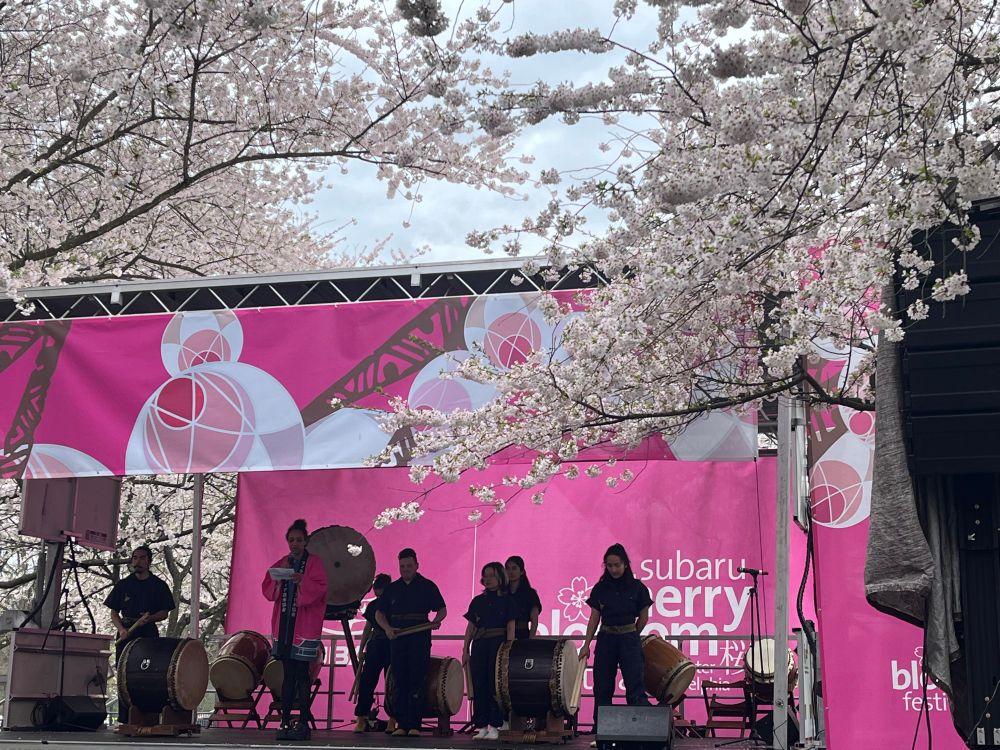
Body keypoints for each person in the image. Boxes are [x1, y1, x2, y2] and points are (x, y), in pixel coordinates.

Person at [261, 519, 328, 742]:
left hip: (304, 627)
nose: (295, 544)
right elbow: (269, 589)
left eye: (299, 540)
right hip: (284, 626)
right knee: (288, 675)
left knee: (303, 675)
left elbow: (320, 589)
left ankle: (303, 722)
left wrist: (302, 580)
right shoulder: (283, 562)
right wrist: (279, 581)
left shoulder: (315, 563)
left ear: (306, 541)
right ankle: (285, 720)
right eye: (291, 540)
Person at [579, 543, 652, 738]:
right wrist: (586, 645)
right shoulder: (601, 588)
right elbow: (594, 617)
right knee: (602, 685)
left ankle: (639, 730)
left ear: (626, 564)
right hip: (606, 639)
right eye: (609, 566)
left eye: (617, 565)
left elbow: (644, 618)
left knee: (634, 684)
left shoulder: (638, 588)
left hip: (629, 639)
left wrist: (632, 634)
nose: (613, 569)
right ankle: (601, 729)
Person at [375, 548, 447, 737]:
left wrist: (435, 622)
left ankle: (415, 724)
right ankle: (401, 724)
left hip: (419, 637)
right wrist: (387, 629)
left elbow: (442, 609)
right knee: (399, 679)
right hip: (398, 637)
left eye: (409, 566)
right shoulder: (392, 588)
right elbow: (379, 613)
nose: (405, 569)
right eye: (402, 566)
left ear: (417, 565)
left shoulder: (427, 586)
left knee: (417, 679)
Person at [104, 544, 176, 721]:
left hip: (148, 634)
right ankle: (125, 717)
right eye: (135, 558)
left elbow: (164, 613)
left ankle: (149, 715)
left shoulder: (158, 585)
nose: (138, 562)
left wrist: (149, 619)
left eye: (142, 558)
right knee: (124, 675)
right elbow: (113, 612)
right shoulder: (123, 585)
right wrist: (121, 629)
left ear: (149, 562)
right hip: (127, 632)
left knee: (148, 672)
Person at [463, 562, 516, 740]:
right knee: (479, 683)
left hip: (498, 644)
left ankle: (496, 724)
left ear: (500, 577)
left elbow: (510, 626)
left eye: (492, 575)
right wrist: (465, 649)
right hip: (480, 644)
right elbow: (471, 626)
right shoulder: (478, 601)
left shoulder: (508, 600)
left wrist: (508, 649)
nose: (488, 579)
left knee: (495, 685)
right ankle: (482, 725)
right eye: (485, 576)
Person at [353, 573, 393, 734]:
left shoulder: (395, 603)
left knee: (392, 684)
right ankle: (361, 718)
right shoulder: (373, 605)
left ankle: (393, 719)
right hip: (375, 645)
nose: (378, 592)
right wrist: (362, 648)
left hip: (392, 645)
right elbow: (368, 628)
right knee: (367, 681)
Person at [505, 555, 541, 639]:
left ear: (522, 571)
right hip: (503, 635)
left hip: (522, 634)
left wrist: (531, 639)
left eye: (514, 568)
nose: (510, 572)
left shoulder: (530, 593)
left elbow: (534, 621)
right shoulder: (502, 592)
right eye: (507, 568)